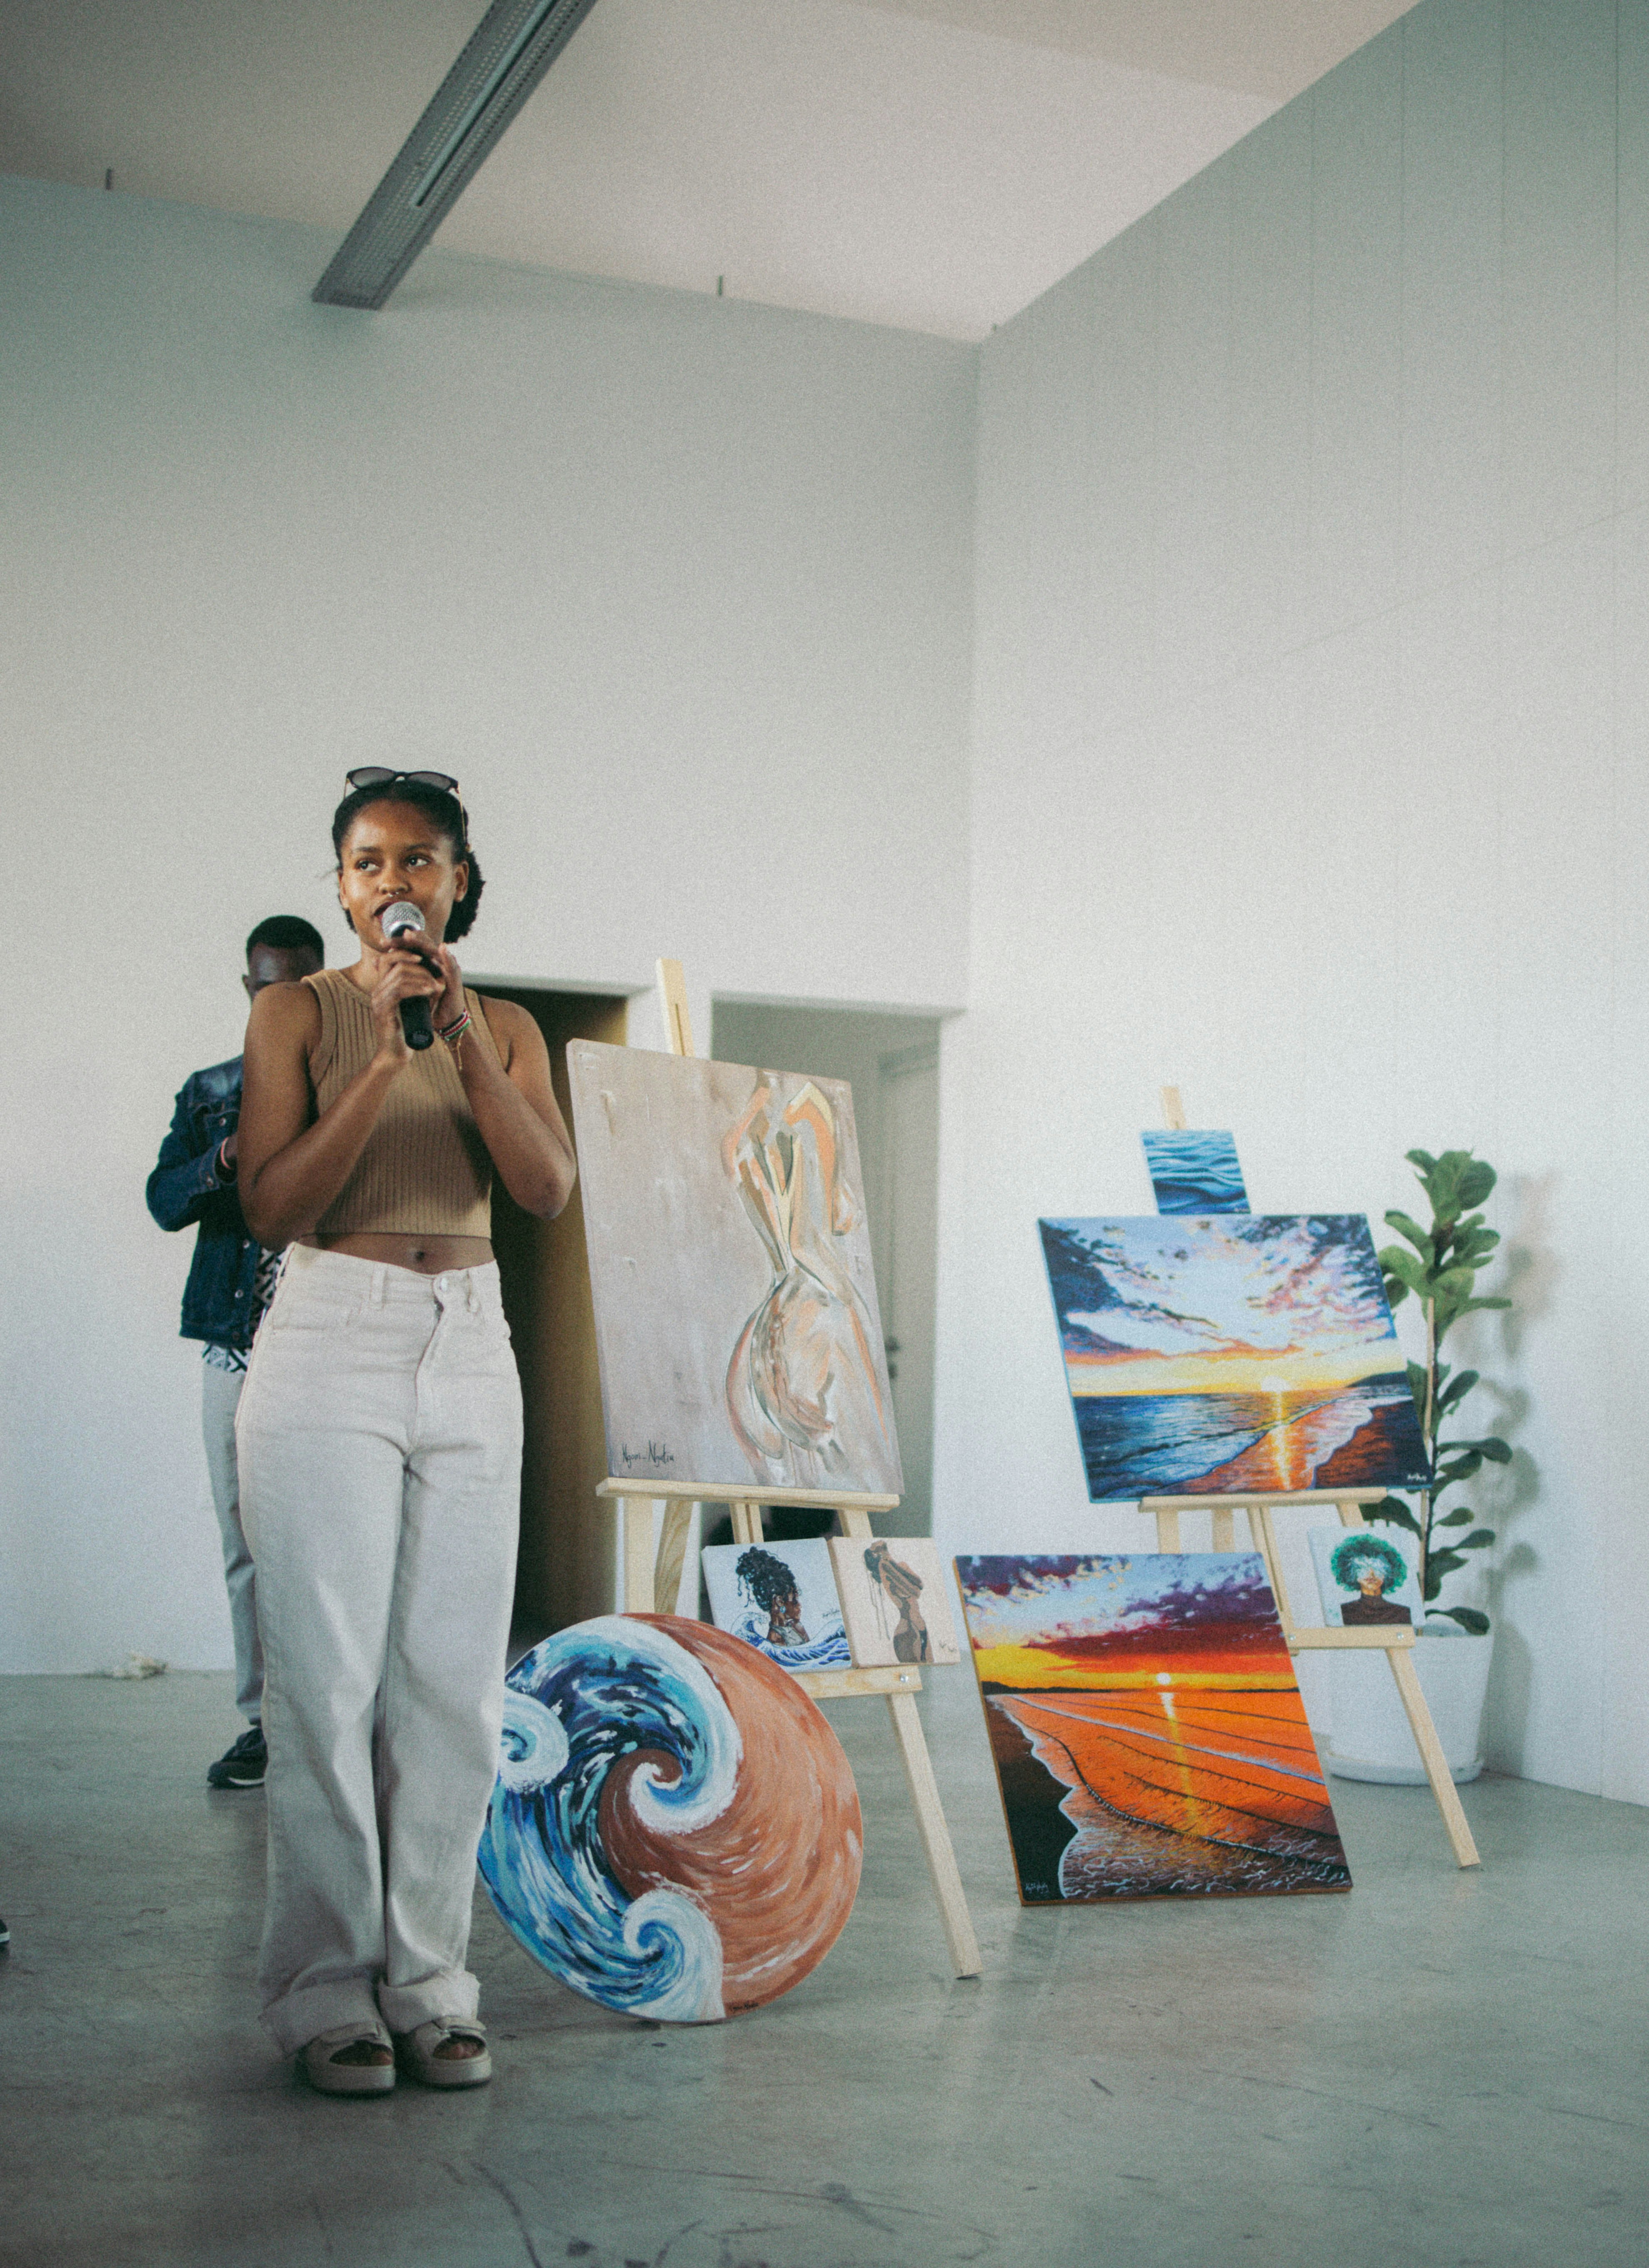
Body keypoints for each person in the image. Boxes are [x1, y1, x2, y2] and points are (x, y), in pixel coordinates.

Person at [234, 769, 576, 2097]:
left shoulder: (507, 1026)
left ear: (457, 882)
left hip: (471, 1343)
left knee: (453, 1683)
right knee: (325, 1682)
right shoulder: (295, 1012)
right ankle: (326, 1990)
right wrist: (382, 1055)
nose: (395, 882)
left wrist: (459, 1038)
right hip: (332, 1334)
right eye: (369, 862)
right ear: (341, 888)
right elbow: (275, 1205)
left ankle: (430, 1982)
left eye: (419, 860)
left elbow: (543, 1188)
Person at [146, 916, 325, 1789]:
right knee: (243, 1537)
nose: (278, 1003)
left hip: (332, 1349)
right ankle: (264, 1722)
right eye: (264, 990)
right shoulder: (212, 1090)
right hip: (233, 1349)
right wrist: (223, 1157)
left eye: (294, 988)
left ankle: (335, 1718)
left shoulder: (356, 1082)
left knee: (334, 1539)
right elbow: (162, 1200)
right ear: (247, 991)